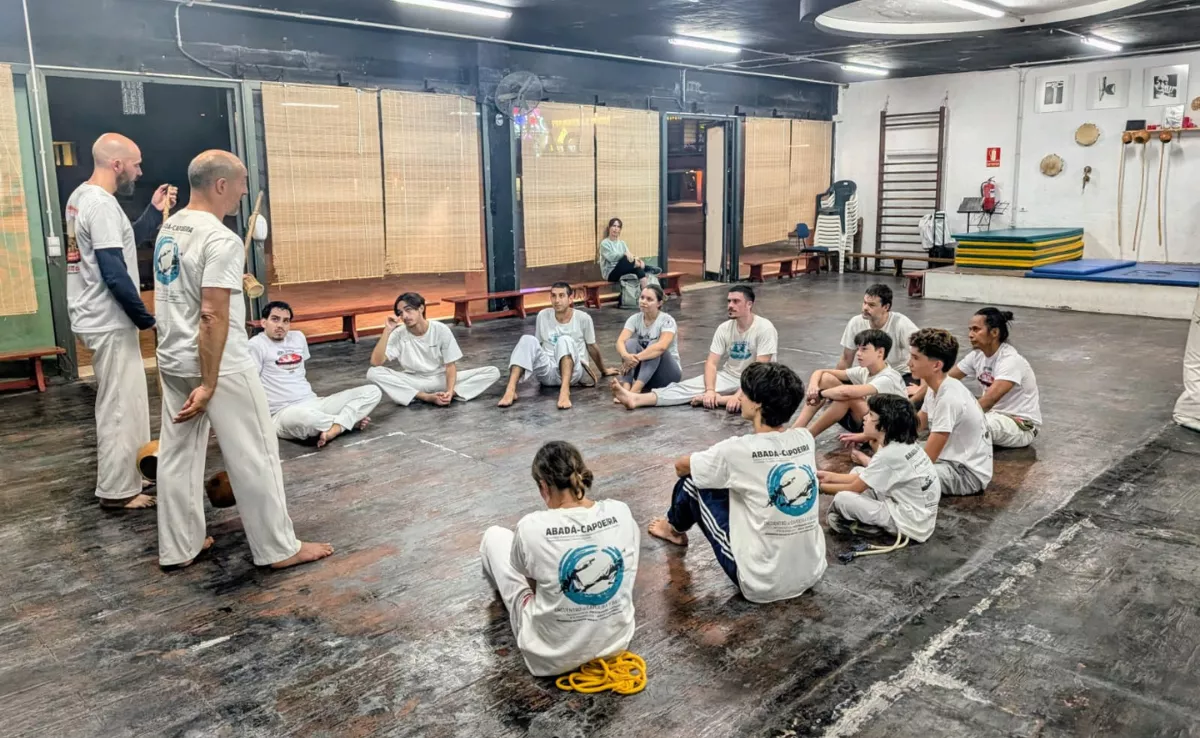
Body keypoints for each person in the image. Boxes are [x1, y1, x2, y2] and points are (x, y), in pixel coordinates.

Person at [153, 149, 332, 569]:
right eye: (241, 182)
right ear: (220, 185)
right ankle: (278, 548)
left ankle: (179, 547)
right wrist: (210, 382)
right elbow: (213, 314)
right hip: (219, 363)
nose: (244, 191)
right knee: (256, 452)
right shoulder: (221, 238)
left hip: (172, 358)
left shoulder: (170, 226)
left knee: (178, 453)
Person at [647, 363, 826, 603]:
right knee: (740, 481)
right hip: (811, 572)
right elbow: (784, 438)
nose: (739, 397)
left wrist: (715, 460)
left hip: (762, 582)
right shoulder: (804, 440)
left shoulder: (736, 450)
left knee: (692, 483)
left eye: (744, 393)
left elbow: (681, 467)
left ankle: (673, 530)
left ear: (758, 403)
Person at [65, 132, 176, 510]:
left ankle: (132, 476)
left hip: (95, 316)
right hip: (107, 320)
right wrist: (146, 319)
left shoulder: (82, 198)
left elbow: (125, 242)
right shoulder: (101, 206)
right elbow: (114, 272)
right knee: (117, 407)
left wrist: (152, 209)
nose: (139, 170)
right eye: (135, 163)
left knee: (127, 403)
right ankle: (117, 491)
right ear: (117, 165)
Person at [479, 441, 639, 677]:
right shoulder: (620, 511)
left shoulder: (531, 526)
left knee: (494, 536)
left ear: (544, 486)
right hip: (614, 644)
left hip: (551, 657)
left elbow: (532, 583)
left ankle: (503, 605)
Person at [610, 285, 777, 413]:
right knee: (684, 388)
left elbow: (759, 370)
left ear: (749, 304)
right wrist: (710, 390)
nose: (730, 305)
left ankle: (723, 400)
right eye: (728, 301)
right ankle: (635, 399)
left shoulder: (764, 328)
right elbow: (711, 363)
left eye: (736, 302)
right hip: (730, 376)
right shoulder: (724, 328)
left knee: (762, 398)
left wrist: (737, 396)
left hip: (759, 380)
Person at [249, 300, 382, 447]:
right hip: (282, 413)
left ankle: (336, 427)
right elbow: (250, 383)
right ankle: (348, 422)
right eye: (275, 319)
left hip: (314, 402)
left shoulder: (298, 337)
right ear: (263, 322)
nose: (280, 325)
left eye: (285, 321)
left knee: (372, 391)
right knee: (307, 418)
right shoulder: (255, 345)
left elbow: (300, 372)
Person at [818, 394, 940, 542]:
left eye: (870, 415)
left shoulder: (889, 455)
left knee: (842, 499)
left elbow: (854, 488)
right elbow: (863, 479)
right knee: (858, 471)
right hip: (920, 514)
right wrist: (830, 477)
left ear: (883, 426)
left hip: (911, 523)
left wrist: (819, 487)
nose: (865, 418)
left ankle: (874, 530)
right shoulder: (902, 444)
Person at [895, 328, 992, 498]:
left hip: (966, 475)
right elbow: (916, 426)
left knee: (902, 478)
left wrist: (883, 463)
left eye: (915, 358)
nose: (909, 363)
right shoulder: (935, 388)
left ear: (936, 365)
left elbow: (927, 460)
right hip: (949, 457)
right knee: (896, 454)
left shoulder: (948, 398)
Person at [367, 292, 500, 407]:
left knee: (492, 372)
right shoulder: (398, 334)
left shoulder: (440, 329)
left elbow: (450, 366)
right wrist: (387, 330)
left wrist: (449, 391)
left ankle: (449, 395)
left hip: (440, 378)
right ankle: (424, 397)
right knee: (373, 372)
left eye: (408, 310)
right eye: (401, 313)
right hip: (413, 381)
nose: (405, 316)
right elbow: (376, 362)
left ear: (421, 308)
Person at [498, 282, 617, 410]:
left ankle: (564, 392)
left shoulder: (583, 318)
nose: (557, 300)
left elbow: (592, 346)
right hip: (547, 372)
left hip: (573, 373)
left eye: (561, 296)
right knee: (527, 339)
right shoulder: (543, 315)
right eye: (553, 296)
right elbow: (536, 346)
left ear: (570, 299)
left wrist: (604, 370)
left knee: (564, 340)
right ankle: (510, 390)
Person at [952, 308, 1042, 449]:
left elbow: (989, 401)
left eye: (976, 329)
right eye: (970, 329)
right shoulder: (977, 355)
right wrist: (914, 399)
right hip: (992, 416)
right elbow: (945, 380)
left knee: (963, 423)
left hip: (1018, 425)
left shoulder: (1010, 360)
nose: (970, 335)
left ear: (994, 332)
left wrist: (955, 419)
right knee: (944, 407)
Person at [792, 329, 907, 438]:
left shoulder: (888, 377)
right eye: (858, 349)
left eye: (864, 349)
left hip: (886, 429)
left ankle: (807, 437)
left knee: (848, 398)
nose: (858, 354)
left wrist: (820, 394)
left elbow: (846, 392)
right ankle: (795, 429)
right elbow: (821, 372)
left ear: (880, 352)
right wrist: (813, 387)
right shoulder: (865, 370)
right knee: (826, 379)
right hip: (869, 420)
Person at [608, 285, 681, 403]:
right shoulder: (634, 319)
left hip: (668, 375)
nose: (643, 301)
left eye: (649, 299)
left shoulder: (667, 321)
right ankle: (626, 388)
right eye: (642, 297)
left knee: (655, 348)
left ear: (659, 303)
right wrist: (626, 356)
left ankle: (634, 392)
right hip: (646, 374)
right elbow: (620, 341)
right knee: (630, 343)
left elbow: (662, 346)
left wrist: (635, 358)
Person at [837, 284, 919, 379]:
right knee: (826, 380)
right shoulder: (856, 322)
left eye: (871, 305)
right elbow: (846, 358)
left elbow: (923, 354)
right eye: (864, 303)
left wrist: (922, 388)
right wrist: (837, 382)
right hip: (868, 375)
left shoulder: (901, 323)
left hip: (899, 375)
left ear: (886, 307)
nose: (865, 308)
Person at [598, 218, 648, 289]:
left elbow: (630, 256)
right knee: (626, 258)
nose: (616, 229)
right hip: (610, 273)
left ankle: (645, 295)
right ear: (609, 228)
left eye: (618, 227)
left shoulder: (622, 243)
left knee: (640, 272)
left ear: (620, 230)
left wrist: (637, 259)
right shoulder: (604, 243)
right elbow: (612, 257)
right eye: (614, 226)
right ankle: (645, 267)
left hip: (623, 269)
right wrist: (624, 254)